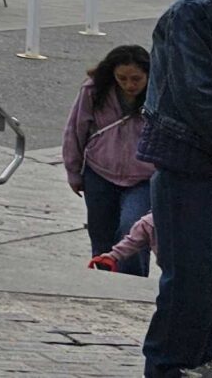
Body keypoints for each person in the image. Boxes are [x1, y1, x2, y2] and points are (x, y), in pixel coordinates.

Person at [139, 0, 212, 375]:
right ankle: (168, 365)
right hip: (188, 159)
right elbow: (198, 97)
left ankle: (201, 359)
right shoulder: (192, 16)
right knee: (192, 275)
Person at [65, 44, 155, 277]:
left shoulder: (160, 95)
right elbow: (76, 129)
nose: (129, 85)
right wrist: (73, 171)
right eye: (122, 78)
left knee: (133, 229)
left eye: (136, 78)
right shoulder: (94, 90)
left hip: (142, 177)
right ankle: (103, 282)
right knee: (101, 235)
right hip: (99, 172)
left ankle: (132, 284)